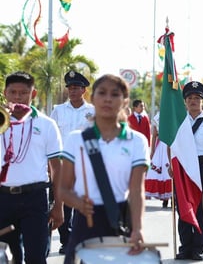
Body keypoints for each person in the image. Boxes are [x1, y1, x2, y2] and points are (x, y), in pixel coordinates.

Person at [59, 74, 150, 264]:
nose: (108, 99)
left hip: (119, 219)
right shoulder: (76, 139)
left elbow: (136, 191)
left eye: (115, 94)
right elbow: (63, 189)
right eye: (102, 93)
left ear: (125, 101)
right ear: (92, 98)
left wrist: (138, 228)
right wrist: (78, 202)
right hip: (85, 220)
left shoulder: (137, 141)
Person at [0, 71, 63, 264]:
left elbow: (56, 168)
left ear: (33, 94)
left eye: (23, 93)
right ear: (5, 93)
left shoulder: (47, 124)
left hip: (35, 199)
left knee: (36, 257)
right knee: (5, 257)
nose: (18, 97)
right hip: (2, 198)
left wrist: (58, 206)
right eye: (13, 92)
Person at [173, 81, 203, 261]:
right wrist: (171, 165)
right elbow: (172, 145)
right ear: (185, 101)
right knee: (183, 207)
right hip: (183, 165)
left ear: (202, 101)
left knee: (201, 209)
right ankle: (185, 247)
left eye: (197, 98)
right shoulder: (179, 120)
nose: (193, 101)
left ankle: (197, 248)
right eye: (190, 98)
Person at [50, 70, 95, 255]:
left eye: (76, 87)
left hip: (85, 164)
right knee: (63, 202)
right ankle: (66, 241)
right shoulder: (58, 110)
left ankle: (80, 239)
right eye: (70, 87)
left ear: (84, 89)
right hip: (62, 164)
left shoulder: (92, 111)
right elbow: (52, 138)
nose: (72, 91)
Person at [145, 111, 172, 208]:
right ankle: (165, 198)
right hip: (162, 147)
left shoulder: (176, 112)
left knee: (172, 170)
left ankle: (174, 198)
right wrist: (152, 151)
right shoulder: (159, 116)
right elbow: (155, 134)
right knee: (162, 172)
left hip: (174, 145)